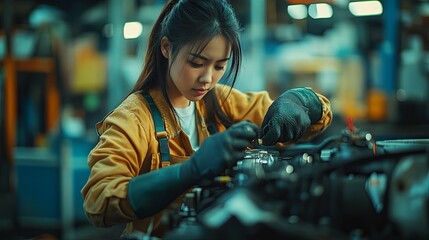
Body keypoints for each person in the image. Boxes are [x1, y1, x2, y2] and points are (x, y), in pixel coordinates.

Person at [81, 0, 333, 238]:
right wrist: (189, 171)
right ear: (167, 48)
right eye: (197, 63)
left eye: (219, 66)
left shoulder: (223, 102)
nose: (207, 79)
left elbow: (318, 114)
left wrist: (300, 101)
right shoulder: (134, 118)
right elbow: (99, 200)